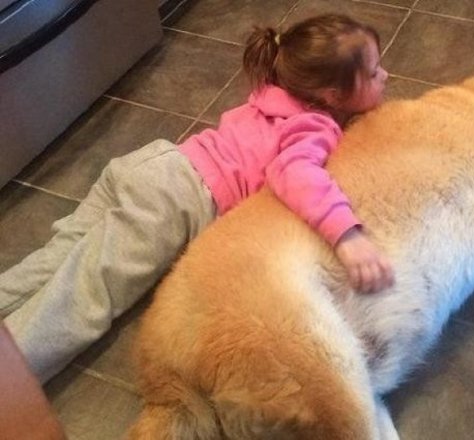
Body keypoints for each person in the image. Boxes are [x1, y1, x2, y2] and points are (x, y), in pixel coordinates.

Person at [0, 14, 393, 383]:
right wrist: (347, 235)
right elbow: (297, 173)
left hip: (156, 163)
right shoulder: (315, 125)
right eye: (374, 72)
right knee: (86, 295)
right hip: (176, 199)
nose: (385, 76)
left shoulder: (272, 92)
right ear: (332, 95)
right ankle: (11, 386)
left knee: (59, 256)